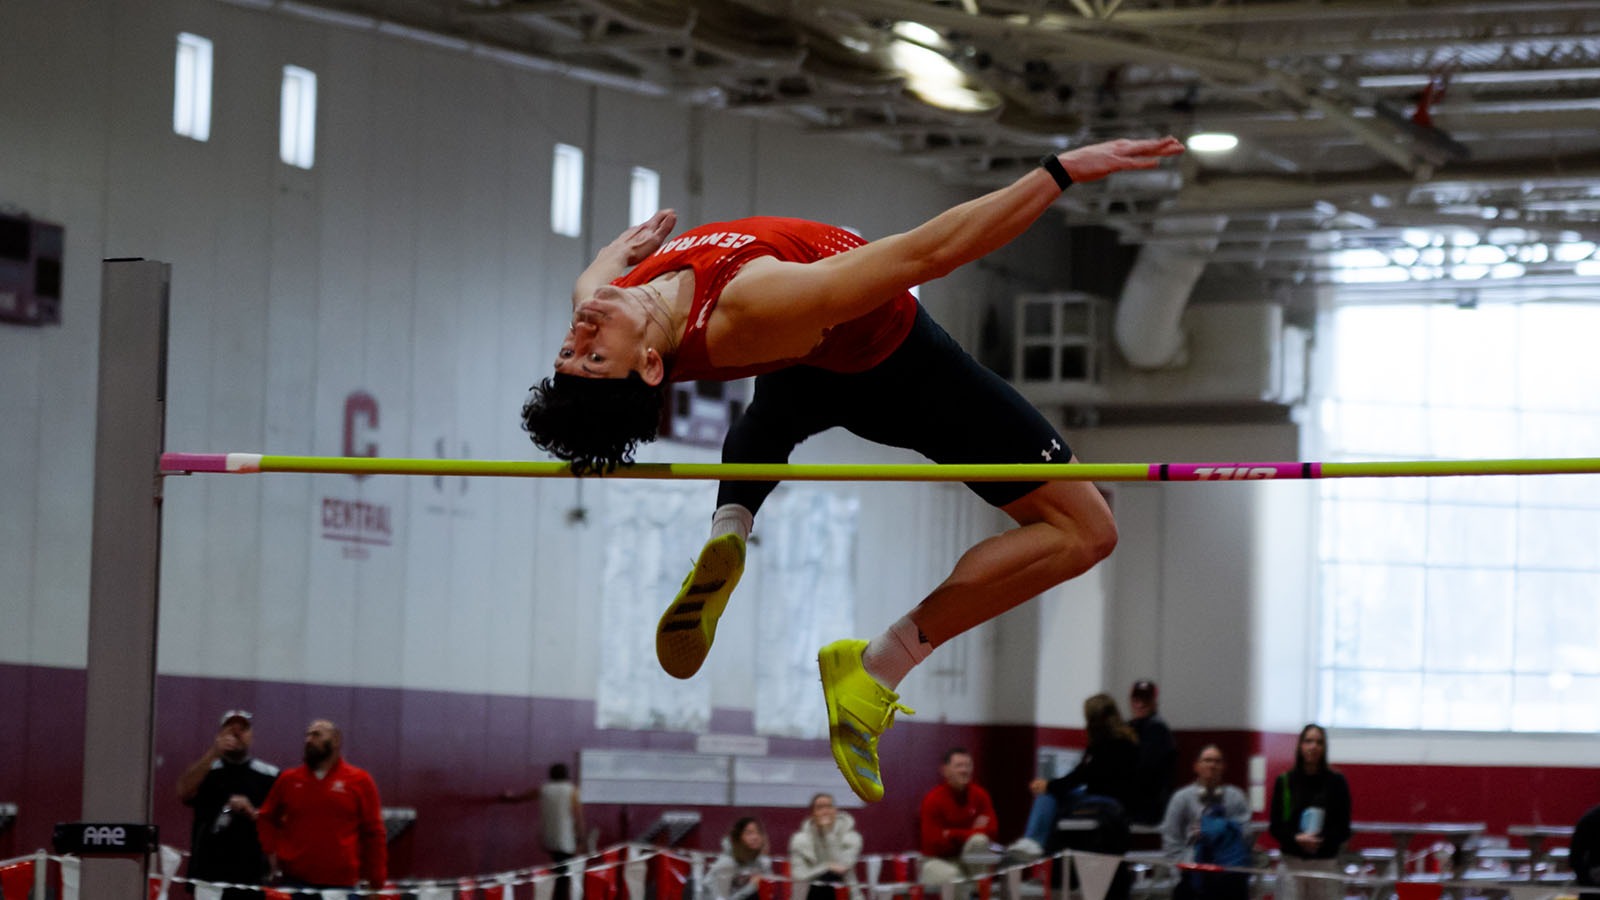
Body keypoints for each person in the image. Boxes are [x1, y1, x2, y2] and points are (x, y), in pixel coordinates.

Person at [521, 136, 1186, 804]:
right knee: (1087, 530)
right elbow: (935, 251)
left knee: (776, 405)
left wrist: (616, 256)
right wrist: (1058, 173)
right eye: (594, 356)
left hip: (803, 353)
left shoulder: (607, 298)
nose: (581, 332)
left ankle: (733, 521)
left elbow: (596, 280)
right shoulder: (751, 304)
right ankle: (876, 668)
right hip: (900, 371)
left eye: (570, 350)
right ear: (649, 366)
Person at [256, 718, 388, 894]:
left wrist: (376, 883)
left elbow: (374, 834)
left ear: (335, 740)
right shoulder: (289, 779)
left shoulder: (360, 781)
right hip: (295, 882)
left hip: (342, 886)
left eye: (316, 735)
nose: (309, 740)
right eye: (308, 735)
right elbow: (265, 817)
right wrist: (269, 851)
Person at [176, 710, 280, 898]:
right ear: (220, 735)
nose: (236, 734)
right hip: (208, 873)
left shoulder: (268, 775)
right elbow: (183, 791)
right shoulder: (206, 771)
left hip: (252, 873)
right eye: (231, 730)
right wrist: (214, 753)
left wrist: (253, 812)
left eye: (242, 730)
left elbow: (281, 821)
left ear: (251, 737)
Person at [1267, 724, 1351, 900]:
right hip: (1292, 862)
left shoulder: (1337, 782)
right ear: (1300, 745)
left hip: (1325, 863)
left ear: (1324, 747)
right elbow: (1276, 825)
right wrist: (1297, 838)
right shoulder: (1285, 781)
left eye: (1319, 742)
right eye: (1308, 741)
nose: (1313, 746)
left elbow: (1343, 827)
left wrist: (1320, 839)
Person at [1161, 745, 1253, 900]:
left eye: (1217, 761)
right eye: (1207, 760)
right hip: (1192, 873)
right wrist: (1183, 868)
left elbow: (1245, 834)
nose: (1212, 765)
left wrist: (1221, 831)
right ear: (1196, 766)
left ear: (1223, 767)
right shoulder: (1181, 798)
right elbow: (1171, 838)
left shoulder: (1235, 796)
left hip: (1228, 874)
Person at [917, 748, 999, 886]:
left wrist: (951, 834)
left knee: (979, 841)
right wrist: (972, 831)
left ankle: (981, 891)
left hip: (967, 860)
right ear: (945, 770)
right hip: (937, 861)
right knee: (956, 877)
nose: (964, 770)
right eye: (959, 766)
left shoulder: (980, 796)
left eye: (968, 766)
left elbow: (991, 832)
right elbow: (933, 843)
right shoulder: (933, 799)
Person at [788, 793, 863, 900]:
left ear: (835, 811)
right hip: (810, 893)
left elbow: (842, 867)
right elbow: (799, 875)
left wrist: (828, 833)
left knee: (831, 877)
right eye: (820, 808)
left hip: (845, 892)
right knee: (821, 881)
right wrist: (826, 866)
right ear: (812, 814)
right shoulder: (800, 840)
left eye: (829, 807)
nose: (825, 811)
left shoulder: (851, 837)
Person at [1128, 679, 1178, 826]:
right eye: (1136, 699)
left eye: (1145, 700)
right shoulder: (1134, 727)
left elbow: (1144, 771)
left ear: (1154, 701)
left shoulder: (1156, 729)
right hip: (1141, 806)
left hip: (1148, 809)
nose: (1140, 704)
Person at [708, 817, 774, 900]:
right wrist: (751, 887)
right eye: (749, 833)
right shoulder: (726, 863)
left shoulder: (762, 862)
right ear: (738, 837)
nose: (755, 837)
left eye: (759, 832)